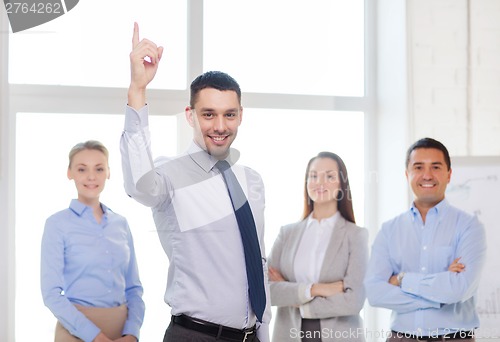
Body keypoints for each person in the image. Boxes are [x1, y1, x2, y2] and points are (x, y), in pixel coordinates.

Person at [120, 23, 271, 341]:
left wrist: (263, 330)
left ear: (241, 116)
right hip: (195, 335)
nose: (220, 125)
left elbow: (256, 259)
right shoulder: (170, 175)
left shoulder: (251, 180)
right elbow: (138, 185)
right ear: (190, 115)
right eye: (208, 114)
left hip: (251, 335)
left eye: (229, 114)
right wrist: (138, 90)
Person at [364, 137, 486, 342]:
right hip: (401, 338)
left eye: (436, 167)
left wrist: (401, 279)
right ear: (407, 174)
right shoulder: (389, 230)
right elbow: (375, 293)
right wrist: (439, 292)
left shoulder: (469, 226)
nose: (427, 175)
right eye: (418, 167)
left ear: (449, 174)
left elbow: (460, 290)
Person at [41, 140, 145, 342]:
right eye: (82, 169)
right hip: (75, 330)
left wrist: (132, 333)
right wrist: (95, 337)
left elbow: (134, 288)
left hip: (122, 332)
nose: (91, 177)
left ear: (108, 172)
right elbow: (51, 294)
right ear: (70, 173)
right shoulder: (57, 224)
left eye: (99, 169)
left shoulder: (121, 224)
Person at [267, 151, 368, 342]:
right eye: (313, 176)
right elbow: (267, 291)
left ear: (341, 184)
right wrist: (315, 289)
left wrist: (298, 300)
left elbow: (354, 301)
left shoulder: (356, 236)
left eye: (329, 176)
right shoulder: (286, 234)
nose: (320, 182)